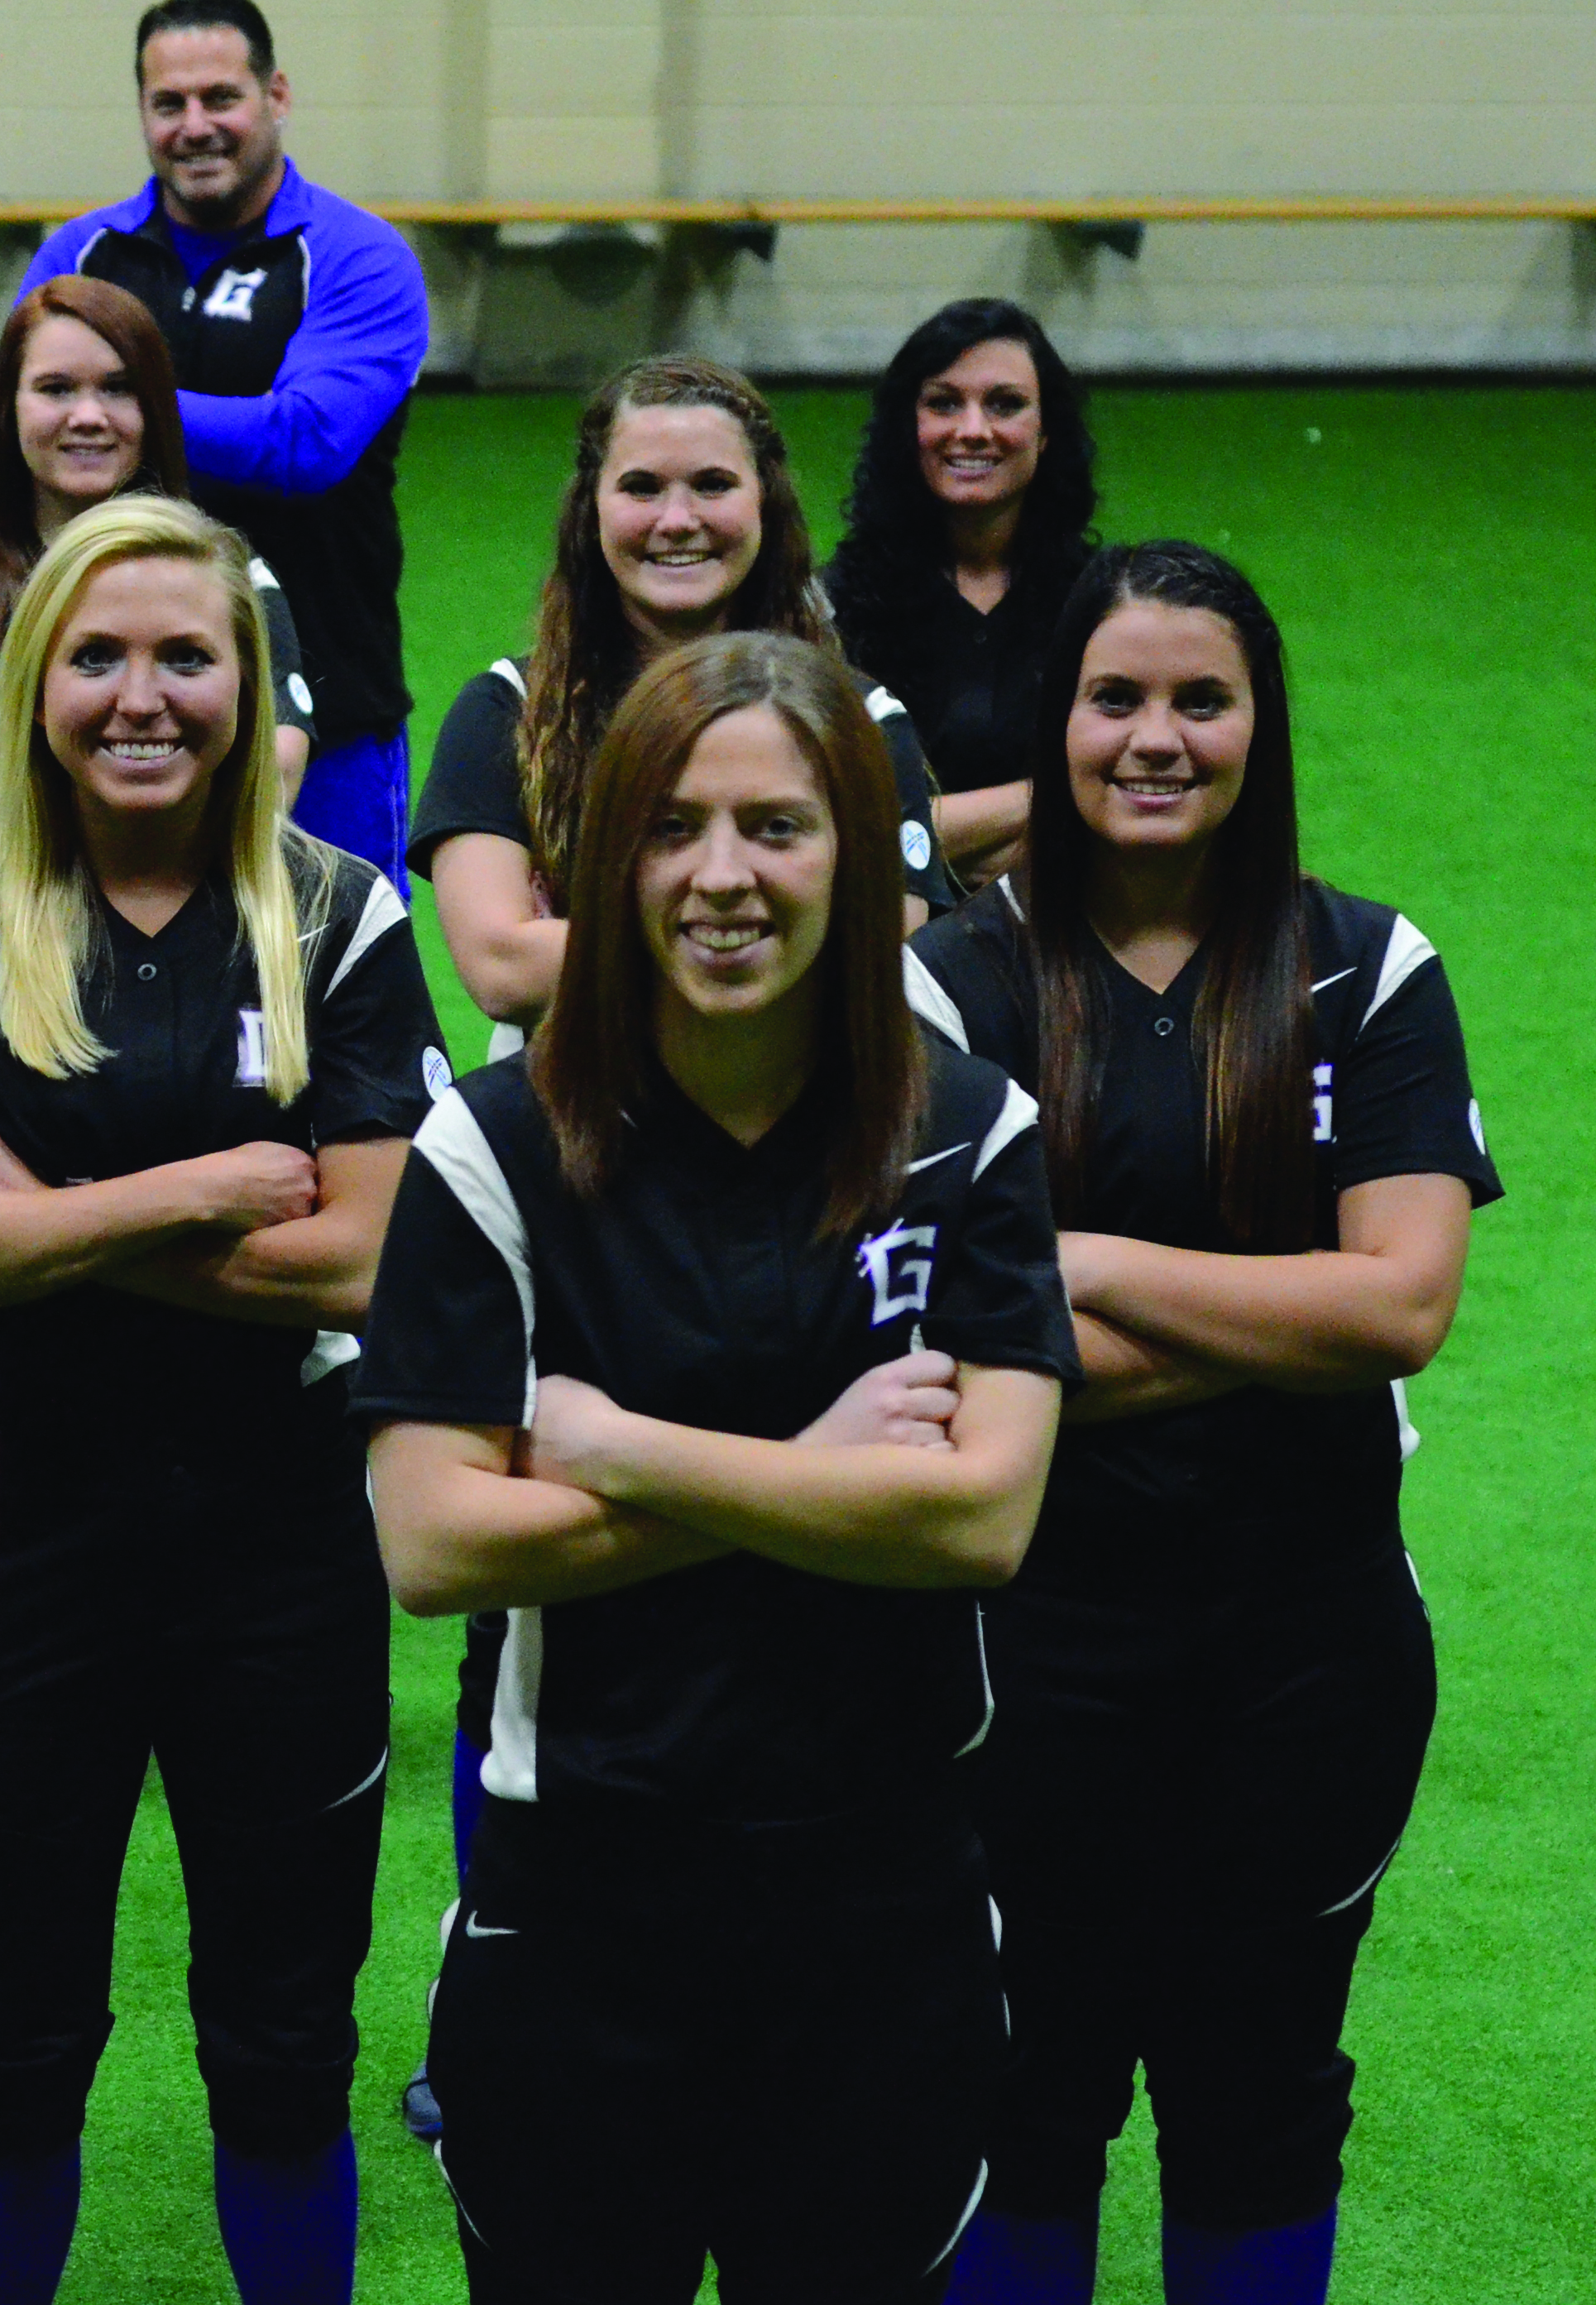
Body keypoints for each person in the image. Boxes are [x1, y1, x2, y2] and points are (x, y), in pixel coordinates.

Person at [355, 631, 1074, 2303]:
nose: (722, 878)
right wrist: (812, 1474)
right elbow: (434, 1542)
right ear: (607, 861)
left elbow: (979, 1515)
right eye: (673, 827)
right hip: (580, 1900)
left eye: (776, 826)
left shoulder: (969, 1134)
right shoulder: (496, 1139)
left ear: (858, 854)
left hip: (879, 1888)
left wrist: (614, 1453)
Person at [0, 501, 438, 2305]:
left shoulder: (341, 911)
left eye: (186, 657)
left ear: (248, 685)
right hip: (21, 1563)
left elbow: (365, 1262)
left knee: (281, 2046)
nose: (141, 696)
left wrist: (47, 1217)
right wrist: (205, 1192)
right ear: (32, 687)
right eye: (97, 656)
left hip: (283, 1564)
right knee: (16, 2048)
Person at [908, 544, 1495, 2305]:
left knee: (1259, 2097)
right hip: (1022, 1652)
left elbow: (1400, 1304)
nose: (1153, 738)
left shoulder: (1363, 968)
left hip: (1305, 1653)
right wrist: (1278, 1307)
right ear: (1055, 719)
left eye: (1199, 700)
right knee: (1024, 2090)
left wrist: (1079, 1266)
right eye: (1114, 697)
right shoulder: (950, 987)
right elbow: (942, 1358)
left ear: (1259, 725)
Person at [418, 353, 957, 1044]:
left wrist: (577, 944)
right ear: (592, 508)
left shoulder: (859, 721)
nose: (677, 520)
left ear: (765, 500)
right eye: (641, 488)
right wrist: (767, 937)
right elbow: (500, 968)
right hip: (571, 1119)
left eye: (712, 485)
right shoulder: (510, 710)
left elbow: (882, 953)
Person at [20, 0, 429, 877]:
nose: (193, 125)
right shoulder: (79, 258)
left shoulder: (357, 256)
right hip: (123, 713)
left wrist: (115, 400)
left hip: (331, 706)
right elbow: (27, 433)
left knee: (333, 985)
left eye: (219, 98)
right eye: (167, 104)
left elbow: (302, 443)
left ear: (273, 96)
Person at [0, 276, 311, 856]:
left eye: (119, 389)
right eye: (56, 389)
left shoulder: (235, 579)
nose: (89, 415)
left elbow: (271, 781)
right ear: (8, 407)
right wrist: (157, 790)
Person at [825, 300, 1105, 884]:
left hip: (1061, 930)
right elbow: (848, 829)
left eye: (1005, 405)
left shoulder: (1103, 601)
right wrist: (1054, 798)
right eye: (944, 403)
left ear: (1046, 430)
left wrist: (935, 833)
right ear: (909, 426)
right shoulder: (835, 608)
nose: (973, 431)